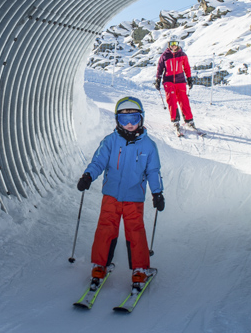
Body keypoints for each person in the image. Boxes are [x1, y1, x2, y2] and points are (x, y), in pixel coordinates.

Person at [76, 96, 164, 291]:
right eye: (124, 119)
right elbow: (99, 161)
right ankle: (99, 267)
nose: (130, 124)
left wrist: (157, 193)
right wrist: (88, 176)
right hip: (111, 196)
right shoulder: (110, 141)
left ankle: (140, 270)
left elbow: (153, 171)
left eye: (134, 118)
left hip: (134, 198)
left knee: (135, 232)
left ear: (141, 118)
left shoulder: (148, 146)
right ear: (117, 120)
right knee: (105, 229)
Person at [155, 39, 196, 130]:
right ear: (169, 44)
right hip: (168, 81)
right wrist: (158, 79)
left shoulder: (182, 55)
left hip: (180, 80)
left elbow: (186, 67)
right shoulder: (165, 55)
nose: (174, 45)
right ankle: (175, 121)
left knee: (184, 100)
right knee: (172, 100)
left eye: (175, 43)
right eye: (172, 43)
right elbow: (160, 68)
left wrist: (189, 78)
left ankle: (189, 120)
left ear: (178, 44)